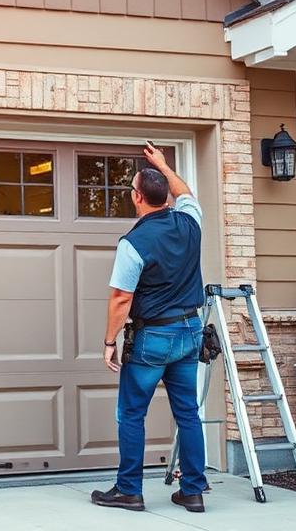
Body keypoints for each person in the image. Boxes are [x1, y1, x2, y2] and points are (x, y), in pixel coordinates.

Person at [91, 142, 208, 514]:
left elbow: (121, 299)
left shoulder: (133, 242)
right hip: (190, 330)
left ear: (136, 197)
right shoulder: (190, 220)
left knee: (131, 414)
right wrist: (163, 164)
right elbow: (185, 193)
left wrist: (109, 341)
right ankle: (192, 491)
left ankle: (129, 490)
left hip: (152, 337)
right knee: (187, 412)